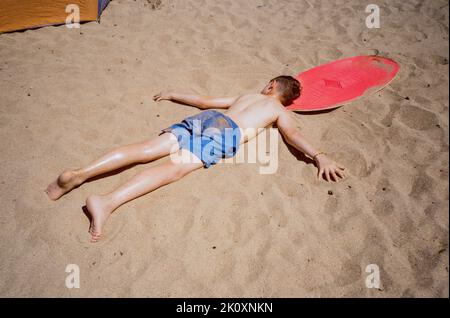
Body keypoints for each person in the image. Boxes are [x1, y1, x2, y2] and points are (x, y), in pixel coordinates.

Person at [46, 76, 345, 242]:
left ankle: (80, 173)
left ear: (270, 86)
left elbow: (203, 101)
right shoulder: (279, 111)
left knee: (146, 149)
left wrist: (173, 93)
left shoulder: (245, 96)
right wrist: (319, 156)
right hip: (228, 133)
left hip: (211, 118)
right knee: (172, 170)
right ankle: (106, 201)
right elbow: (292, 136)